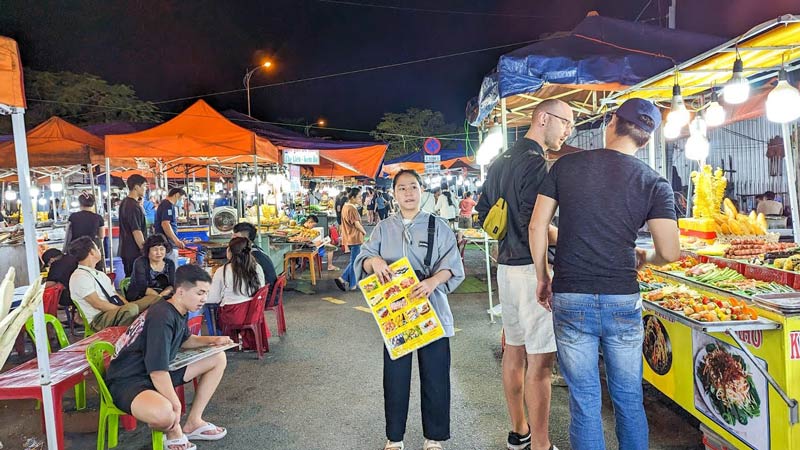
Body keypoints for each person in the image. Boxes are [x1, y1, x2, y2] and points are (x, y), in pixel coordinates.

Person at [530, 98, 680, 450]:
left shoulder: (566, 166)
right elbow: (671, 252)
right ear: (645, 138)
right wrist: (645, 256)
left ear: (612, 122)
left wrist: (543, 276)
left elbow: (537, 226)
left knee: (584, 401)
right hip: (623, 299)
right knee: (629, 399)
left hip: (571, 295)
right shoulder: (654, 183)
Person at [476, 99, 572, 450]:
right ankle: (542, 445)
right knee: (541, 364)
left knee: (514, 351)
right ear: (543, 117)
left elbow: (485, 213)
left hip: (505, 267)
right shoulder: (536, 163)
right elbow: (538, 225)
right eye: (565, 122)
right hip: (532, 270)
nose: (567, 131)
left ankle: (520, 431)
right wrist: (569, 240)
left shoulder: (499, 161)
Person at [354, 169, 465, 450]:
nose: (408, 193)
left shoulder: (438, 226)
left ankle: (434, 439)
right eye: (402, 188)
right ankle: (395, 438)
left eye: (413, 187)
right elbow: (364, 259)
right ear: (394, 194)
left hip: (432, 308)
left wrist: (432, 282)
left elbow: (452, 265)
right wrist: (375, 262)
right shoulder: (383, 228)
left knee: (436, 376)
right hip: (396, 314)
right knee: (395, 378)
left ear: (422, 191)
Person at [106, 264, 232, 450]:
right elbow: (157, 372)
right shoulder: (162, 315)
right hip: (129, 380)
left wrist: (214, 340)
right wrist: (175, 405)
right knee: (166, 413)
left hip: (152, 373)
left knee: (218, 358)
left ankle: (194, 422)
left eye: (206, 293)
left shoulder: (177, 310)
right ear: (181, 291)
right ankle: (174, 434)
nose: (204, 299)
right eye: (200, 293)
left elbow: (186, 340)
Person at [68, 236, 160, 332]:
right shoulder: (80, 276)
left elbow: (115, 295)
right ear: (91, 252)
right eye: (97, 248)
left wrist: (126, 306)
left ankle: (152, 329)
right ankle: (134, 335)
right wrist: (123, 309)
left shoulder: (100, 274)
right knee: (131, 309)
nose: (99, 249)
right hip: (99, 318)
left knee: (155, 299)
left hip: (116, 310)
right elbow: (97, 304)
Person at [207, 237, 266, 350]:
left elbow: (213, 298)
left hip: (232, 316)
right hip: (254, 314)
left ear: (229, 252)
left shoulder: (222, 271)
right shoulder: (257, 268)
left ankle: (223, 341)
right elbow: (261, 290)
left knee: (211, 309)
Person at [128, 234, 177, 302]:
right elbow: (142, 287)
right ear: (148, 251)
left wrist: (162, 296)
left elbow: (172, 285)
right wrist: (158, 298)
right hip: (141, 296)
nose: (159, 253)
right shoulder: (140, 262)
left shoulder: (170, 263)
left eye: (162, 249)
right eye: (155, 250)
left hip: (163, 296)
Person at [334, 188, 366, 291]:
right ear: (352, 198)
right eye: (359, 197)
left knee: (355, 260)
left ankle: (343, 278)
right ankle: (352, 284)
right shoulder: (352, 208)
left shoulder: (345, 207)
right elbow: (356, 224)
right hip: (355, 238)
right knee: (355, 261)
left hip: (349, 237)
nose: (361, 199)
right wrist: (364, 232)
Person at [231, 222, 278, 289]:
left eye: (235, 236)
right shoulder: (256, 249)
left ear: (245, 239)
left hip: (264, 294)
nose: (232, 238)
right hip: (267, 290)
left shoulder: (252, 256)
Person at [119, 174, 149, 277]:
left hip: (127, 250)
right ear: (136, 187)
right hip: (134, 252)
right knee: (137, 282)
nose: (146, 189)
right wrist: (144, 250)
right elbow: (136, 231)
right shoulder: (132, 206)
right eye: (144, 186)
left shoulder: (125, 203)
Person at [155, 188, 187, 264]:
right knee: (171, 271)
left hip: (166, 244)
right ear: (177, 195)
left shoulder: (164, 204)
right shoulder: (168, 205)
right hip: (168, 245)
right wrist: (176, 241)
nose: (182, 202)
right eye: (181, 199)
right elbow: (165, 224)